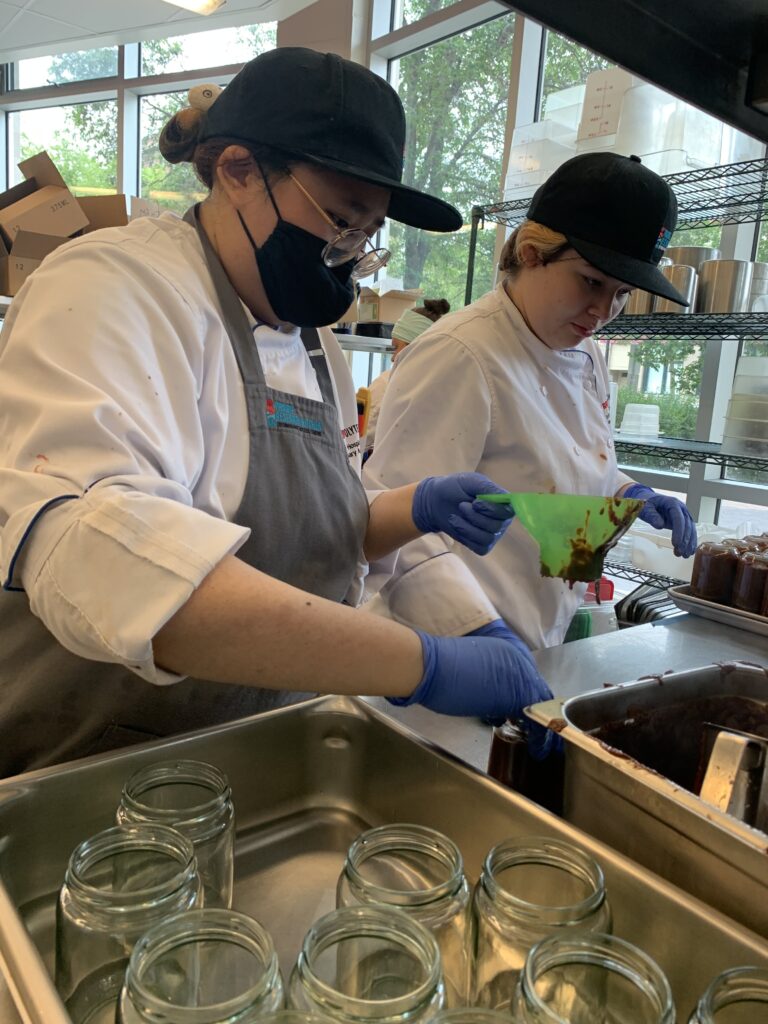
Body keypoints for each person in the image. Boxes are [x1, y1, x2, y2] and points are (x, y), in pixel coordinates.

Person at [0, 47, 555, 779]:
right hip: (89, 772)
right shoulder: (113, 287)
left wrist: (407, 510)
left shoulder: (316, 344)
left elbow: (318, 531)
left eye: (365, 231)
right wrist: (423, 663)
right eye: (340, 217)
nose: (347, 249)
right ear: (237, 170)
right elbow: (105, 554)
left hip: (252, 755)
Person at [363, 152, 698, 652]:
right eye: (591, 282)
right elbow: (395, 529)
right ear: (532, 252)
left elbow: (560, 470)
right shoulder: (463, 353)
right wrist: (472, 629)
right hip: (445, 651)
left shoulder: (582, 353)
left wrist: (624, 493)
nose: (604, 312)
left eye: (622, 294)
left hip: (540, 638)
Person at [364, 298, 450, 455]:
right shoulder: (446, 388)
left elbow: (357, 439)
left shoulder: (388, 383)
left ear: (414, 348)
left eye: (396, 347)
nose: (392, 357)